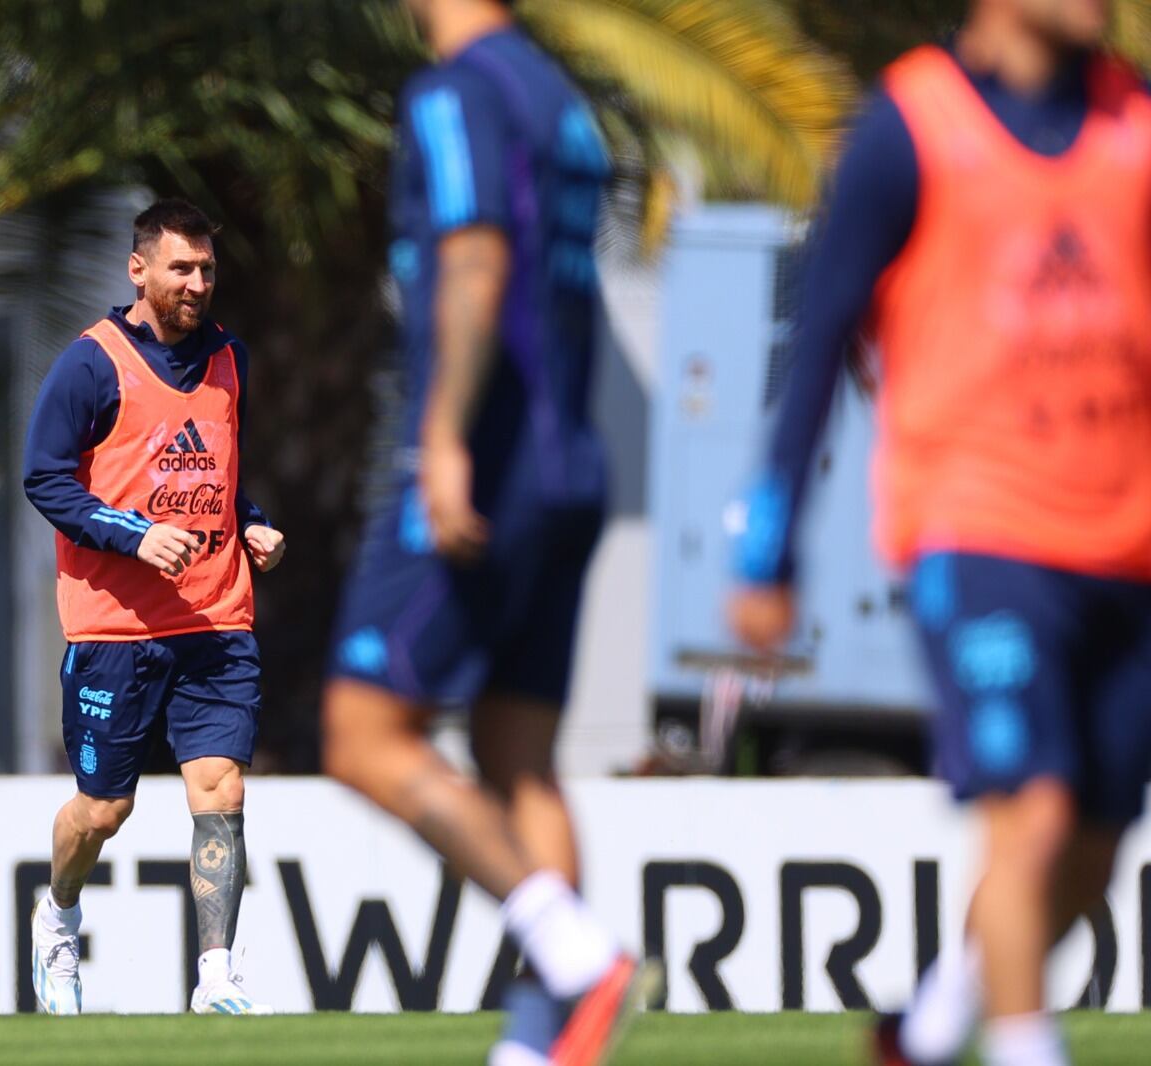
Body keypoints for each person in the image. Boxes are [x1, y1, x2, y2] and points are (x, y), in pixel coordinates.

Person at [728, 2, 1151, 1064]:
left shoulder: (1136, 122)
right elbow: (820, 340)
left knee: (1093, 852)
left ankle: (927, 1023)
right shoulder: (909, 128)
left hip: (1128, 541)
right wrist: (768, 545)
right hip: (979, 529)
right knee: (1032, 816)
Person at [321, 2, 644, 1063]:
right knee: (519, 759)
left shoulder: (455, 91)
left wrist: (443, 435)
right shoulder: (558, 100)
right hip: (570, 463)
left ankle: (572, 950)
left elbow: (473, 256)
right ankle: (540, 1046)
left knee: (362, 733)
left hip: (490, 461)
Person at [22, 198, 286, 1016]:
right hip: (115, 629)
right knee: (105, 809)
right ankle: (57, 918)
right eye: (181, 268)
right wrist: (134, 536)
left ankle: (216, 978)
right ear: (138, 269)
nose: (197, 283)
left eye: (207, 269)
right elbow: (45, 479)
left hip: (215, 619)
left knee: (221, 789)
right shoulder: (90, 364)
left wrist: (251, 522)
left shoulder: (230, 360)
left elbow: (220, 475)